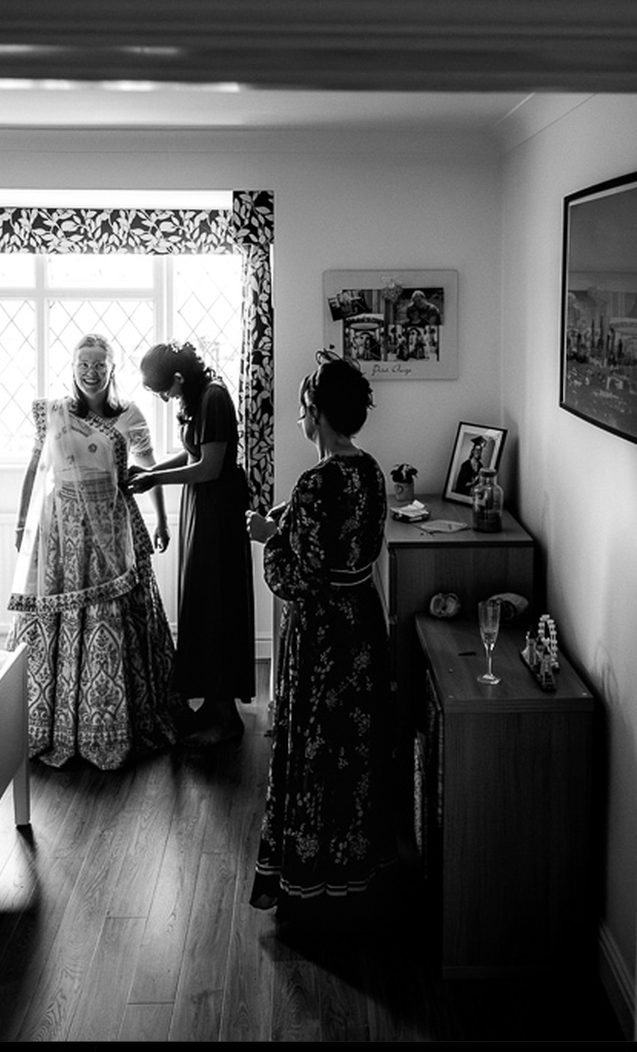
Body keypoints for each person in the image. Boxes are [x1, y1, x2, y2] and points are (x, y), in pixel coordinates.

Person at [243, 354, 401, 919]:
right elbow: (353, 537)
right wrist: (292, 520)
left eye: (303, 408)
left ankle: (313, 877)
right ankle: (360, 868)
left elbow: (301, 578)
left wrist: (268, 535)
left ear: (315, 414)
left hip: (325, 636)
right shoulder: (371, 470)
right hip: (363, 620)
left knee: (316, 750)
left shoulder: (315, 481)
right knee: (355, 751)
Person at [8, 333, 179, 769]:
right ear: (73, 367)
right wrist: (23, 521)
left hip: (114, 528)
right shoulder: (56, 415)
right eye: (83, 363)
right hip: (61, 532)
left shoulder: (128, 417)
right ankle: (51, 721)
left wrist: (159, 519)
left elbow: (148, 468)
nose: (90, 371)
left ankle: (120, 720)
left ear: (112, 369)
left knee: (120, 619)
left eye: (99, 364)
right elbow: (35, 468)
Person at [127, 341, 254, 747]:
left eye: (164, 389)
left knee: (217, 605)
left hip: (218, 510)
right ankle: (212, 705)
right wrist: (148, 472)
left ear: (179, 378)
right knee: (201, 602)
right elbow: (189, 457)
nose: (165, 398)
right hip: (202, 506)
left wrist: (156, 479)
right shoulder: (198, 398)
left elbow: (209, 467)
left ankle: (227, 718)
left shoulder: (214, 398)